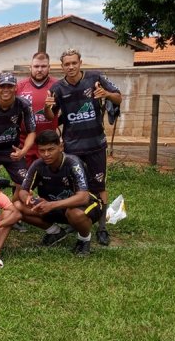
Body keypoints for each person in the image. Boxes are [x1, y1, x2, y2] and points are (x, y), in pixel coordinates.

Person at [45, 48, 122, 246]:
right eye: (66, 64)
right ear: (61, 67)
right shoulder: (58, 88)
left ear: (80, 63)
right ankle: (75, 220)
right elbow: (51, 117)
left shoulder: (96, 78)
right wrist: (47, 107)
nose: (70, 67)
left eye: (74, 63)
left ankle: (102, 228)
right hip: (72, 147)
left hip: (96, 144)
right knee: (75, 186)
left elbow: (118, 98)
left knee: (99, 186)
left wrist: (106, 94)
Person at [14, 130, 103, 256]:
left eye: (51, 149)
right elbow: (23, 190)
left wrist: (51, 205)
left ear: (60, 147)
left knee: (75, 213)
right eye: (42, 150)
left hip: (87, 205)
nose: (46, 154)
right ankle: (55, 232)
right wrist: (29, 199)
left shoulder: (73, 163)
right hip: (54, 206)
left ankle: (84, 240)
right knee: (18, 206)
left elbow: (83, 197)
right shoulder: (38, 165)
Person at [16, 52, 58, 167]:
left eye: (43, 66)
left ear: (49, 68)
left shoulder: (58, 86)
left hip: (48, 144)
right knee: (23, 182)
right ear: (30, 67)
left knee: (47, 181)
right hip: (23, 144)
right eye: (36, 66)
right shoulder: (19, 87)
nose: (39, 70)